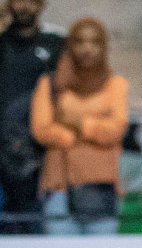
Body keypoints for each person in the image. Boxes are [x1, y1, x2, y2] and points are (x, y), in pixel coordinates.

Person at [29, 19, 129, 235]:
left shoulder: (115, 85)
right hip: (60, 188)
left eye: (94, 42)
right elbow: (41, 129)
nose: (87, 49)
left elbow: (114, 131)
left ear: (103, 47)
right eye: (80, 42)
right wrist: (73, 136)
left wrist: (76, 123)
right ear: (70, 45)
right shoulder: (52, 84)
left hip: (100, 188)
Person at [0, 0, 66, 233]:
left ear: (41, 4)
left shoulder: (56, 46)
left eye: (32, 0)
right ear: (9, 1)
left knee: (36, 241)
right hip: (1, 162)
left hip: (38, 162)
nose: (24, 6)